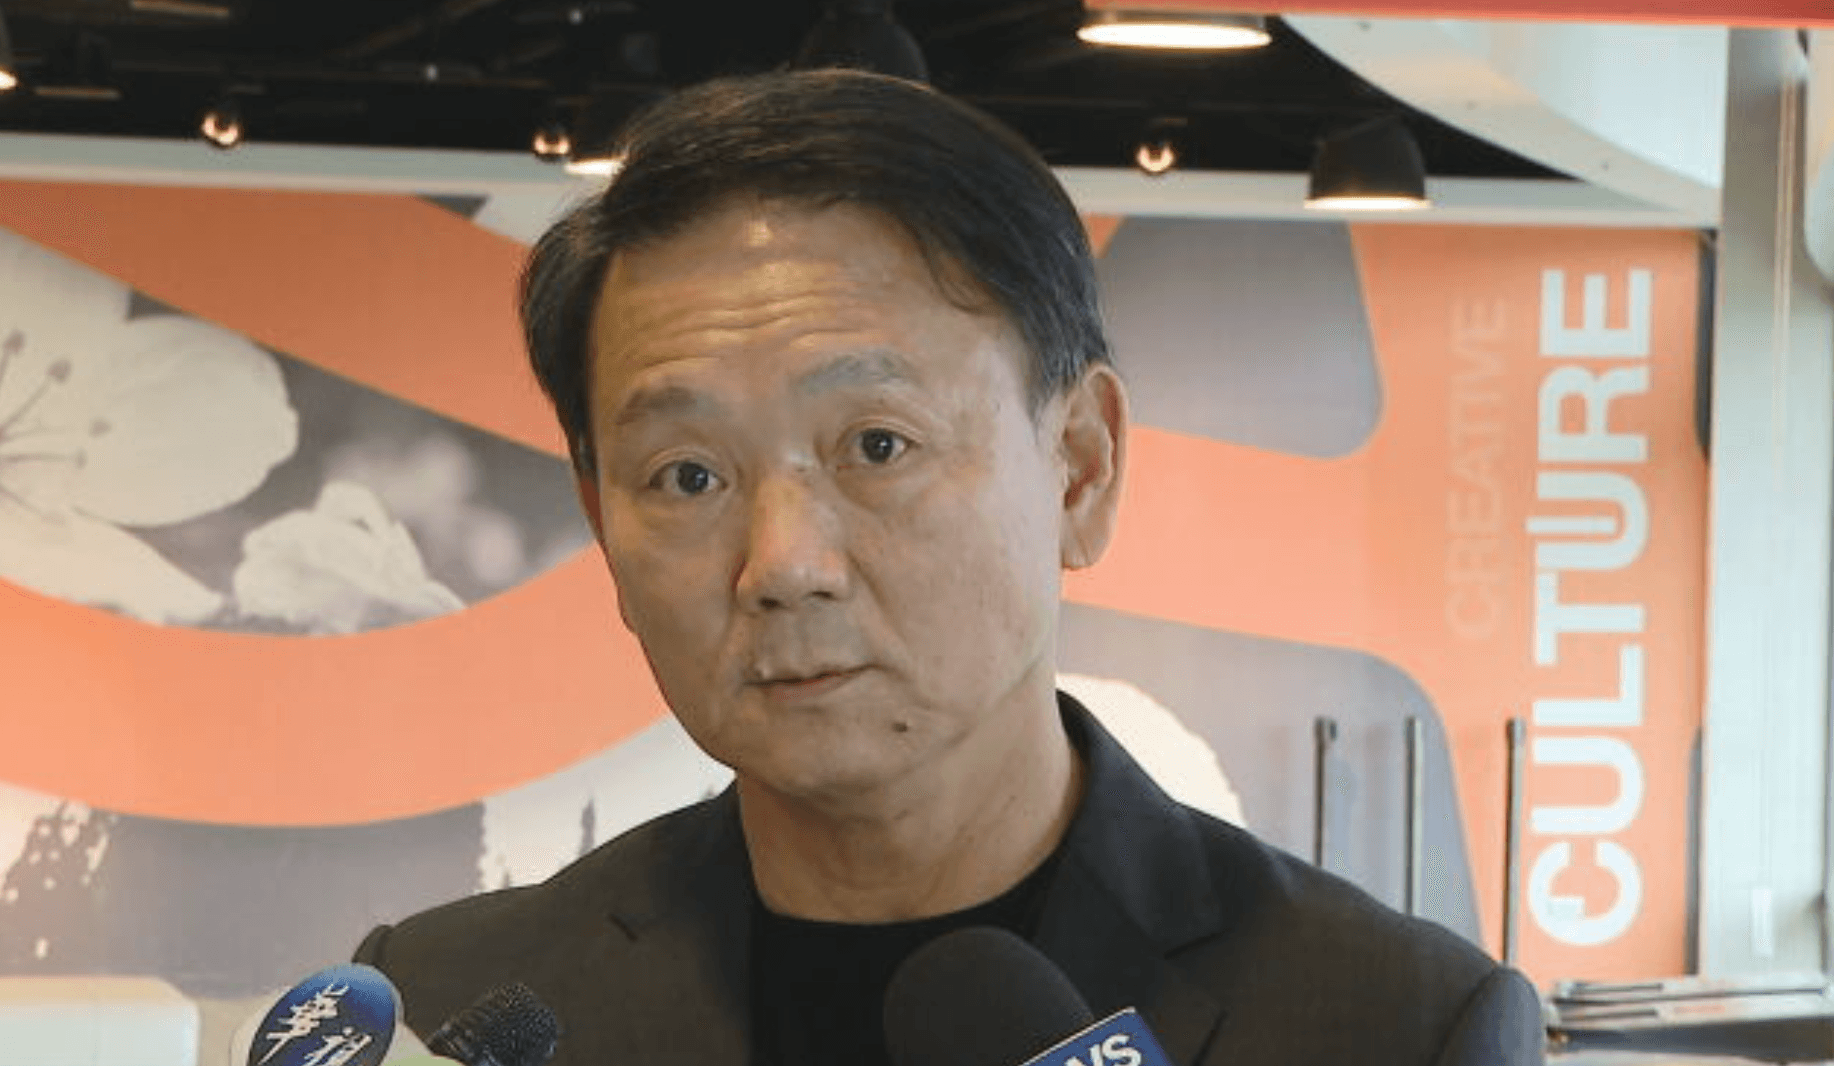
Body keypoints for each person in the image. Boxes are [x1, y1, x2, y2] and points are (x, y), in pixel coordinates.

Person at [354, 69, 1545, 1066]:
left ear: (1078, 467)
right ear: (601, 521)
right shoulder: (447, 1006)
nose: (784, 564)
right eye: (688, 474)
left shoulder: (1393, 1026)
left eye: (877, 446)